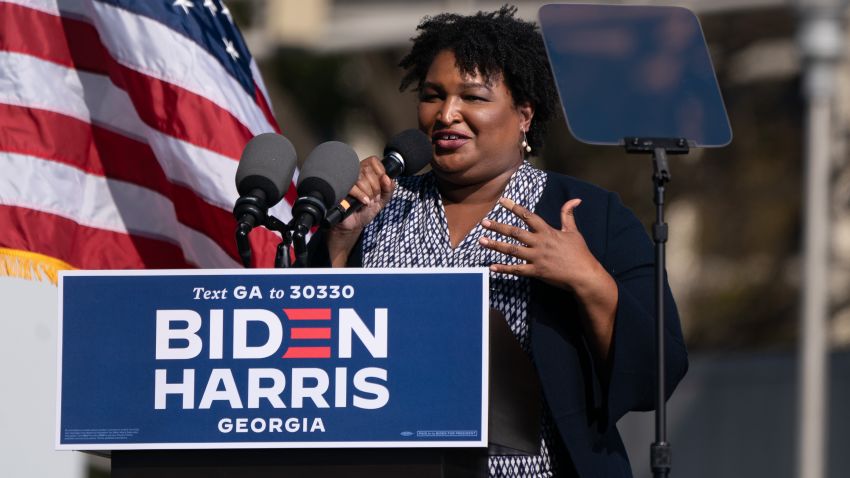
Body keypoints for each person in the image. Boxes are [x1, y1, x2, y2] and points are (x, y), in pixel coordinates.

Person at [311, 5, 688, 477]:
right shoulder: (377, 210)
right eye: (433, 95)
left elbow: (658, 374)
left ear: (524, 114)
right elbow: (313, 359)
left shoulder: (590, 216)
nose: (447, 114)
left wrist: (587, 279)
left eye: (473, 97)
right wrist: (341, 242)